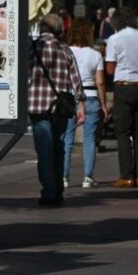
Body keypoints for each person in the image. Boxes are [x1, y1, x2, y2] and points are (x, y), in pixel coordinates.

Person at [28, 14, 85, 206]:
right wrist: (81, 103)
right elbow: (76, 79)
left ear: (42, 27)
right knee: (58, 149)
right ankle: (58, 188)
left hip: (38, 107)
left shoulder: (32, 48)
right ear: (60, 30)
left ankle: (49, 192)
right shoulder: (65, 49)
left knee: (44, 151)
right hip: (61, 108)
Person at [62, 19, 107, 189]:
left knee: (67, 138)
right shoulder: (95, 54)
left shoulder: (65, 51)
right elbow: (101, 82)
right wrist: (103, 104)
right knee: (89, 139)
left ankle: (64, 178)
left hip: (70, 97)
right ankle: (88, 177)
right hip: (91, 96)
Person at [105, 7, 138, 188]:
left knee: (123, 132)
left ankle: (127, 175)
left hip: (124, 86)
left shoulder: (115, 39)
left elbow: (110, 68)